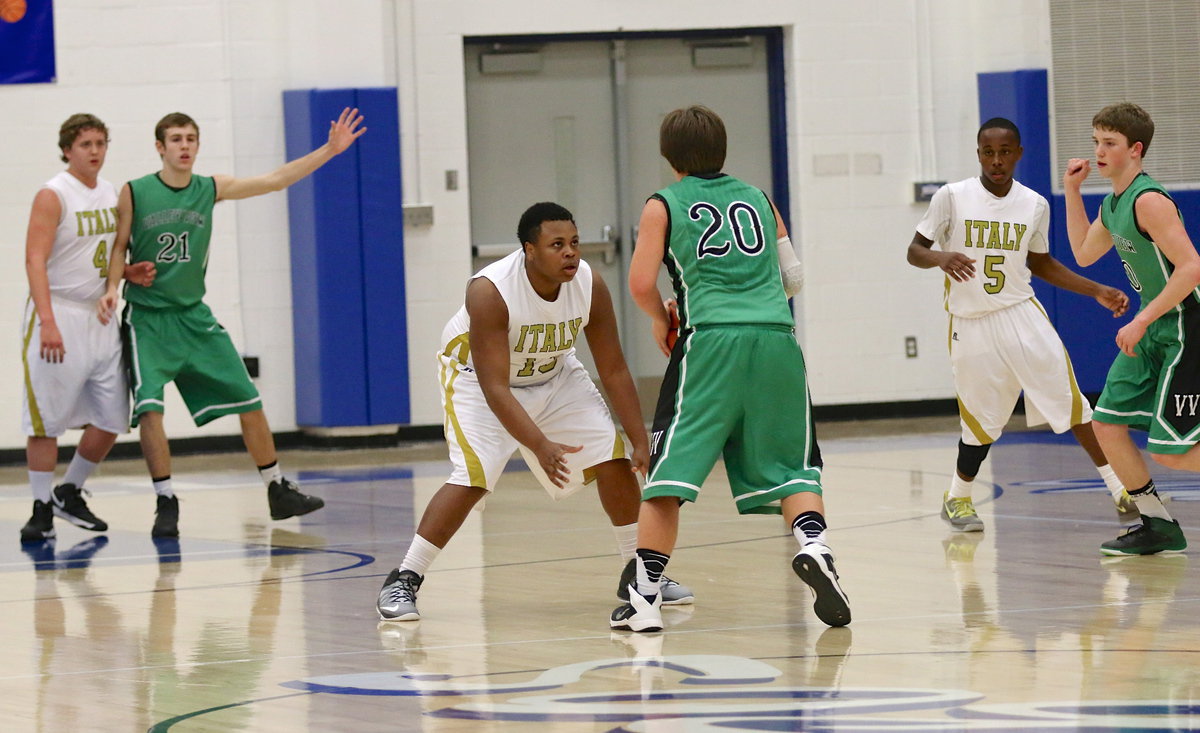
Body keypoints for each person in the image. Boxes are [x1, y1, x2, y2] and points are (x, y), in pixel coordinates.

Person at [375, 202, 692, 621]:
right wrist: (539, 445)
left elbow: (613, 368)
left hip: (555, 373)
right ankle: (404, 579)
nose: (570, 253)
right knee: (475, 476)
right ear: (528, 250)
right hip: (477, 379)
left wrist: (639, 438)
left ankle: (640, 572)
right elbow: (494, 387)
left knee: (612, 458)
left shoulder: (589, 285)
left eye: (574, 243)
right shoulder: (490, 291)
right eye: (556, 244)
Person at [609, 105, 849, 634]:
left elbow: (640, 284)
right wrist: (756, 299)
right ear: (723, 149)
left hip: (710, 343)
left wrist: (662, 319)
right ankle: (817, 547)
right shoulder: (761, 199)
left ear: (668, 156)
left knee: (668, 475)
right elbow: (794, 276)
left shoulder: (662, 204)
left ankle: (646, 598)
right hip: (777, 341)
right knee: (793, 468)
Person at [98, 108, 366, 537]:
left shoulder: (210, 188)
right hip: (148, 319)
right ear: (159, 147)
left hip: (193, 315)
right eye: (176, 139)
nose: (185, 146)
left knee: (248, 400)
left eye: (191, 138)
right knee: (150, 409)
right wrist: (114, 286)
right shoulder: (135, 191)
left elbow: (276, 180)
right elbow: (118, 248)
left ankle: (277, 487)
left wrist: (330, 150)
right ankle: (166, 500)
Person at [907, 117, 1135, 535]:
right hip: (970, 322)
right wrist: (941, 258)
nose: (997, 160)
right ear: (979, 154)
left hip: (1021, 314)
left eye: (1005, 152)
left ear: (1018, 154)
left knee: (1072, 403)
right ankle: (957, 497)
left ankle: (1120, 487)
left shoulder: (1033, 204)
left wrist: (1095, 290)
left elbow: (1041, 262)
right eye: (988, 152)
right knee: (981, 421)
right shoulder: (952, 197)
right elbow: (915, 251)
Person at [1063, 101, 1196, 555]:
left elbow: (1192, 268)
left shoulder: (1149, 200)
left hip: (1183, 327)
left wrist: (1141, 318)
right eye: (1096, 141)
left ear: (1135, 150)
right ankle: (1159, 526)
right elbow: (1083, 252)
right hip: (1151, 327)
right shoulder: (1114, 202)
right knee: (1107, 425)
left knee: (1169, 451)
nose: (1098, 151)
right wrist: (1072, 191)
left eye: (1109, 143)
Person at [19, 113, 155, 543]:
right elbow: (34, 260)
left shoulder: (110, 191)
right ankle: (40, 508)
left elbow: (104, 252)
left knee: (113, 416)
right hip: (58, 312)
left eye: (100, 143)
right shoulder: (53, 194)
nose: (94, 152)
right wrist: (47, 322)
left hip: (99, 314)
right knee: (46, 419)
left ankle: (70, 490)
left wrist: (126, 273)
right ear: (66, 150)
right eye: (85, 145)